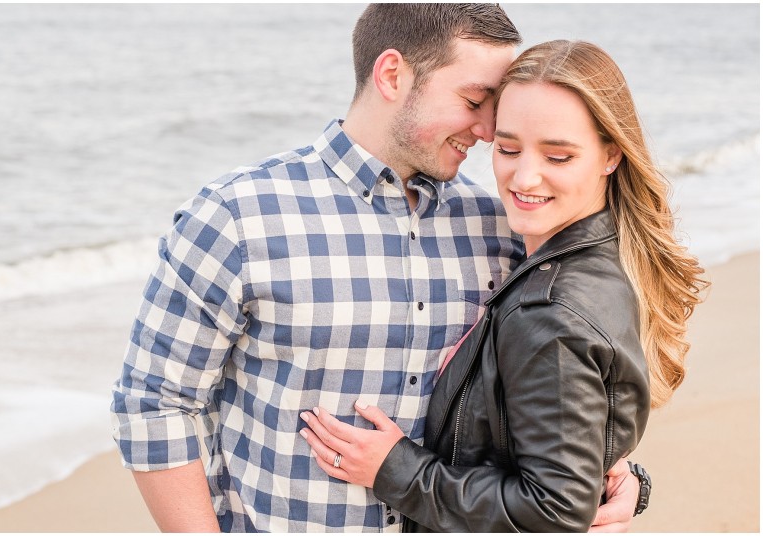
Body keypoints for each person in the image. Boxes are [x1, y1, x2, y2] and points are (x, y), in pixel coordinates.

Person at [110, 5, 645, 532]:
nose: (487, 129)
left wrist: (621, 478)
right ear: (392, 75)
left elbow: (552, 401)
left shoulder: (500, 229)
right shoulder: (239, 217)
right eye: (475, 100)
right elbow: (156, 404)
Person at [299, 39, 709, 532]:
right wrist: (622, 480)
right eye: (509, 148)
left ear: (610, 157)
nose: (525, 175)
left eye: (558, 157)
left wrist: (396, 471)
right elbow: (568, 454)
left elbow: (554, 511)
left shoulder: (550, 312)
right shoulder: (601, 256)